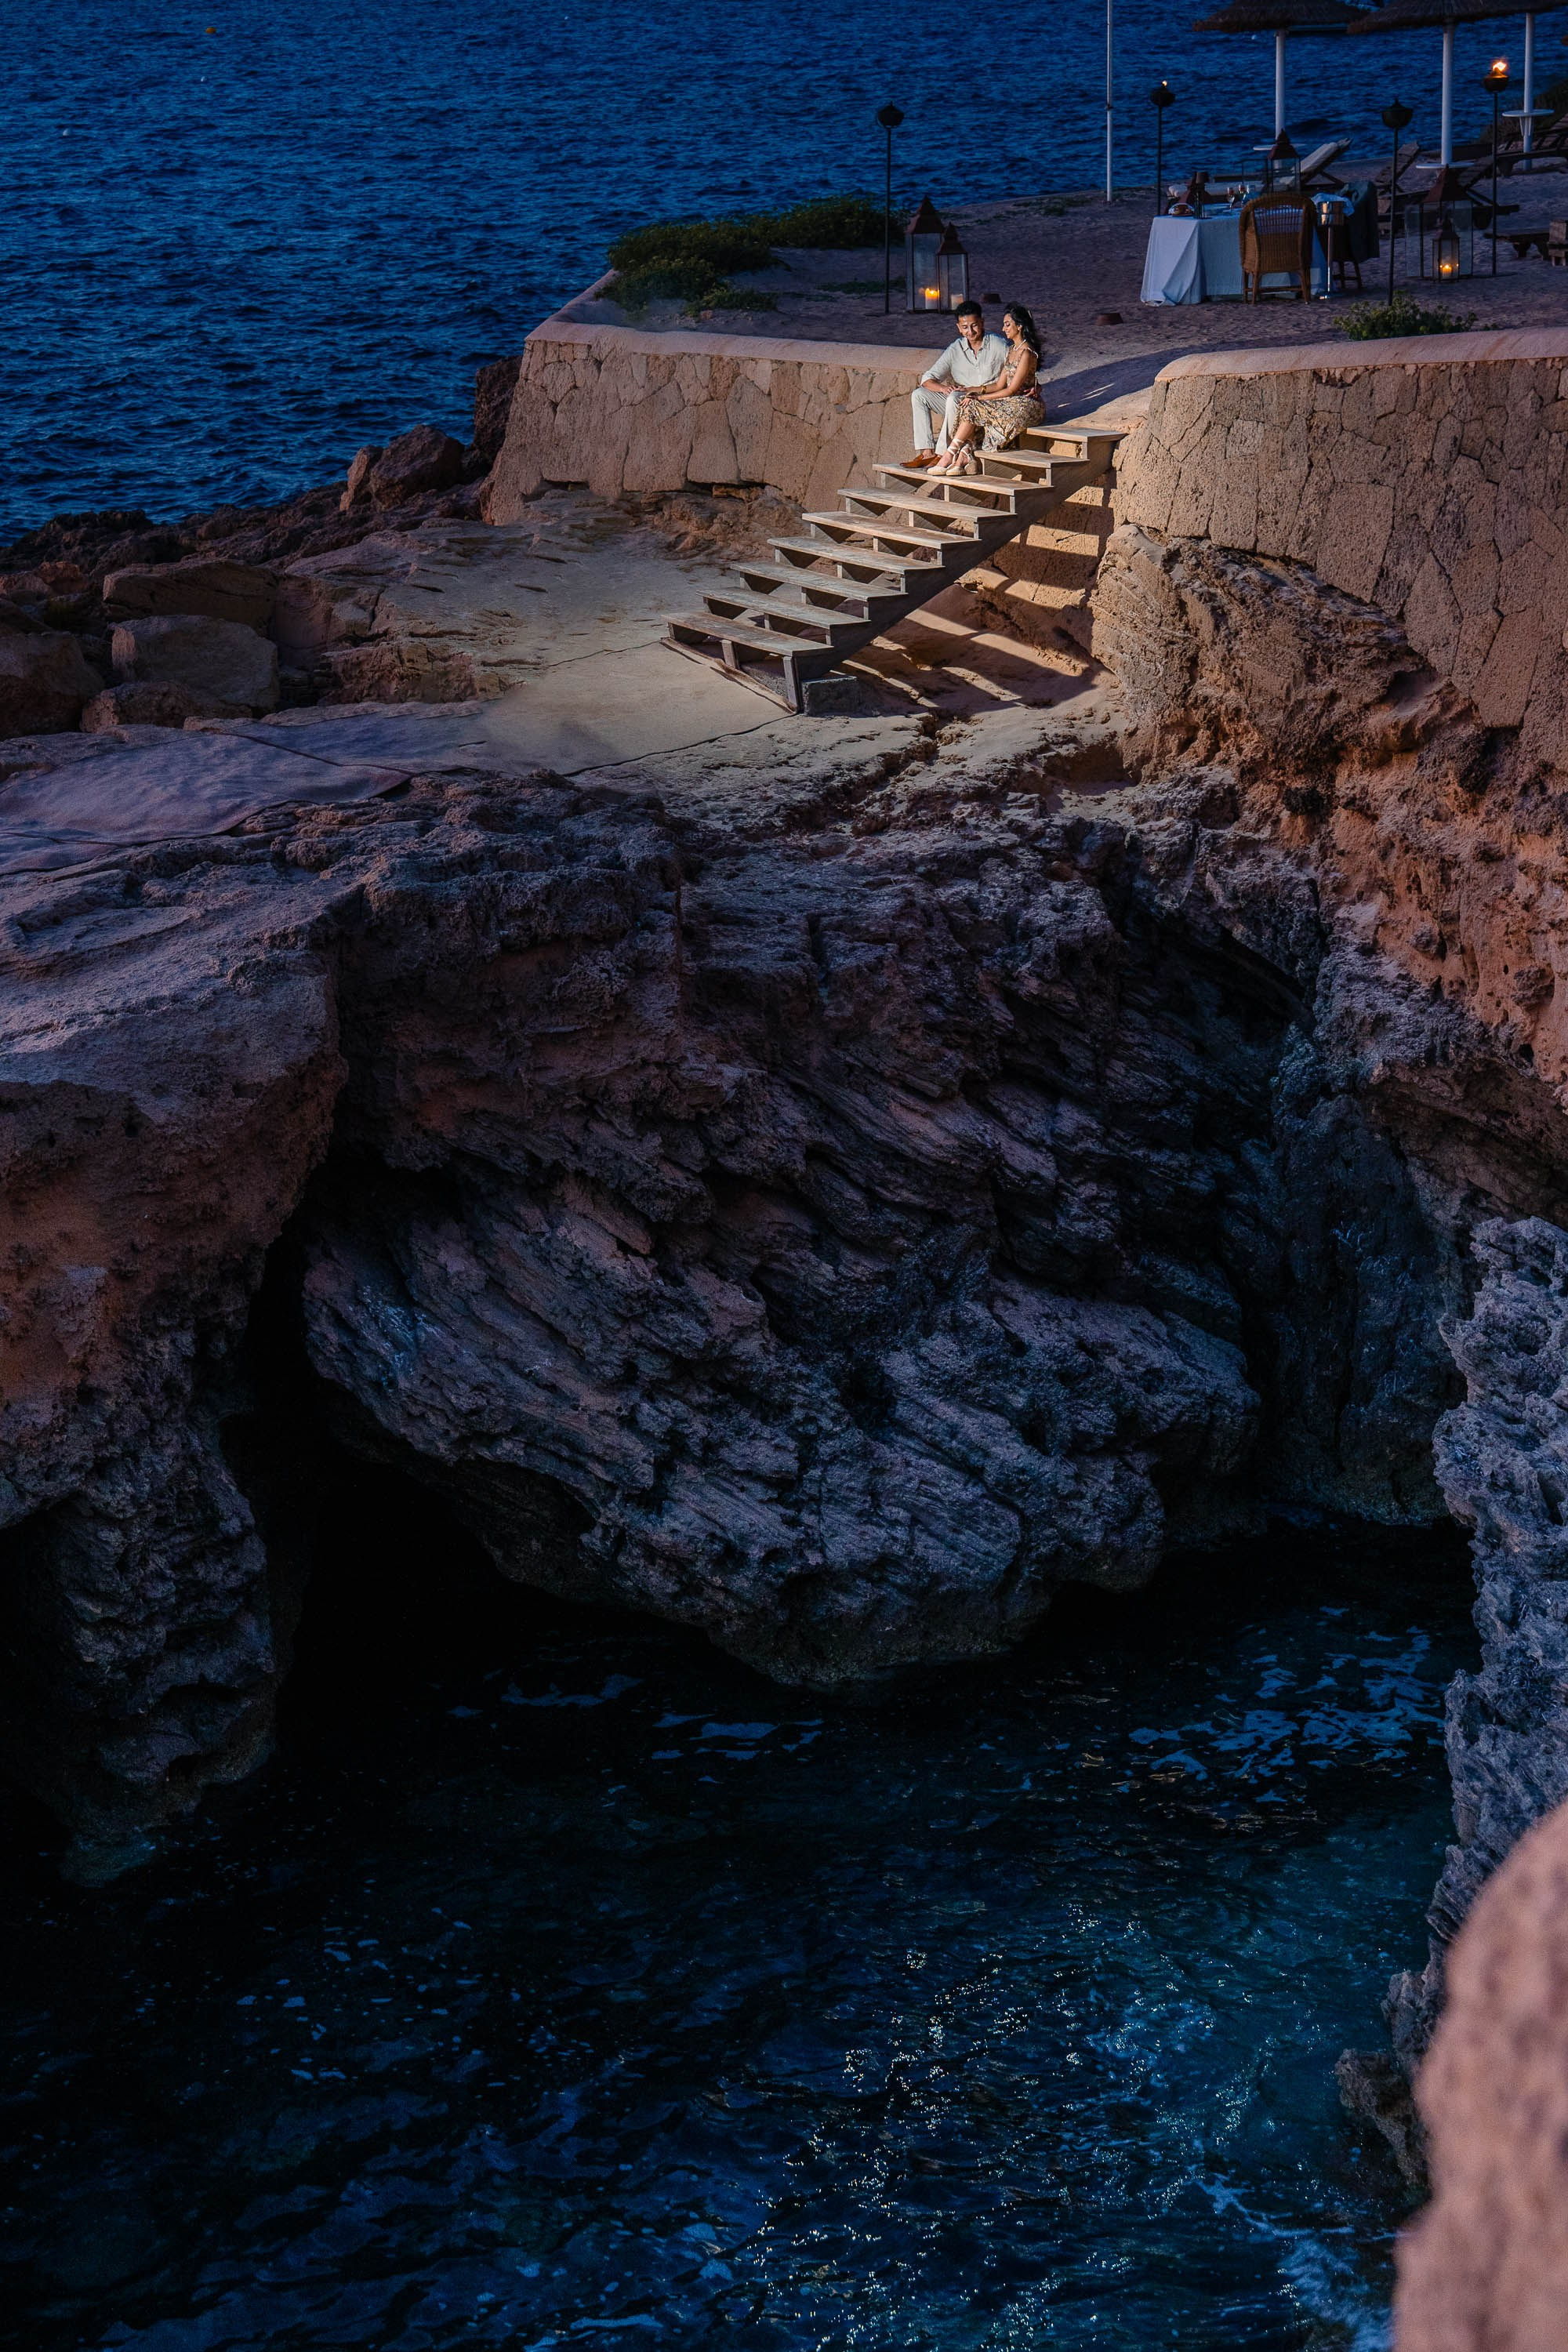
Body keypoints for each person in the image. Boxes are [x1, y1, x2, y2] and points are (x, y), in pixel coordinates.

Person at [929, 304, 1044, 476]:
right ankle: (963, 455)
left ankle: (950, 455)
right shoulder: (1013, 350)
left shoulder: (1026, 353)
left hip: (1025, 404)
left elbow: (1011, 390)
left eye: (1007, 324)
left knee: (974, 406)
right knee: (967, 403)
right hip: (1010, 400)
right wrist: (972, 391)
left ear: (1019, 326)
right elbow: (998, 385)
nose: (1003, 328)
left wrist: (980, 399)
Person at [906, 301, 1010, 469]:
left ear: (982, 323)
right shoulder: (956, 349)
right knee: (919, 395)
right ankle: (927, 452)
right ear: (959, 328)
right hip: (959, 402)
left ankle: (943, 453)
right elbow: (927, 378)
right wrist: (943, 388)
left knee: (954, 397)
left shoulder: (998, 345)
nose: (970, 331)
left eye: (974, 326)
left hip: (985, 401)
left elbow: (1017, 367)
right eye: (965, 327)